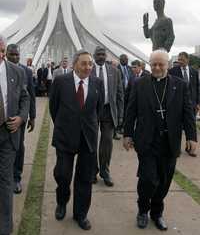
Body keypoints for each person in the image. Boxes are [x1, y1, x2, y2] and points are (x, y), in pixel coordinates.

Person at [123, 50, 197, 231]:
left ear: (168, 65)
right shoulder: (140, 84)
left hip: (169, 142)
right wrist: (127, 134)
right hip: (147, 141)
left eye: (160, 64)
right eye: (153, 64)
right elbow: (130, 110)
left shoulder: (180, 85)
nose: (156, 67)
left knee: (164, 180)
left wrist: (191, 137)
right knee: (148, 179)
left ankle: (157, 213)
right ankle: (142, 210)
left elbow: (188, 113)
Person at [49, 50, 104, 231]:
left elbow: (98, 110)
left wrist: (90, 127)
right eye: (84, 63)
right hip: (65, 136)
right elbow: (54, 108)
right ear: (74, 64)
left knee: (85, 178)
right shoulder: (60, 82)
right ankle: (62, 201)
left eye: (90, 64)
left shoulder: (97, 83)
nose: (88, 67)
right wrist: (64, 125)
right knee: (63, 174)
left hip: (88, 138)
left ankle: (81, 214)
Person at [0, 34, 29, 235]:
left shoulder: (16, 71)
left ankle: (5, 227)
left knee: (5, 181)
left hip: (8, 134)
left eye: (1, 50)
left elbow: (25, 98)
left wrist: (21, 117)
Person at [91, 46, 124, 186]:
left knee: (107, 142)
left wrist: (121, 115)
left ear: (106, 56)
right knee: (91, 142)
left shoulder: (114, 71)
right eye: (98, 54)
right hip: (91, 112)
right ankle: (92, 171)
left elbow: (119, 94)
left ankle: (105, 171)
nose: (101, 57)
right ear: (94, 56)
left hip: (108, 111)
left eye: (103, 54)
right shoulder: (88, 69)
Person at [6, 44, 36, 194]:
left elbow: (30, 95)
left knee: (18, 146)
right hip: (4, 116)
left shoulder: (26, 72)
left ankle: (16, 177)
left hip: (20, 117)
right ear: (6, 54)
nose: (15, 57)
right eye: (12, 54)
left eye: (17, 55)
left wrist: (32, 117)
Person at [169, 51, 199, 156]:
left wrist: (198, 103)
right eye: (179, 59)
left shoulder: (194, 72)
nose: (180, 61)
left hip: (192, 105)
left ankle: (190, 148)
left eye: (182, 59)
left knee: (191, 126)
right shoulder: (173, 71)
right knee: (177, 127)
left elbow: (197, 88)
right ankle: (176, 148)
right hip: (178, 105)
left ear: (187, 60)